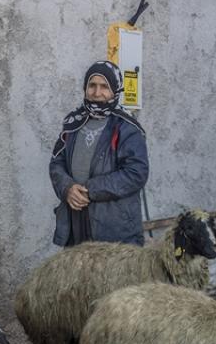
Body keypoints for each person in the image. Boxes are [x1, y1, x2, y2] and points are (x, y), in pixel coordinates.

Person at [49, 60, 149, 246]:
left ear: (115, 90)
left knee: (110, 275)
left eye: (104, 86)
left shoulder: (127, 127)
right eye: (92, 85)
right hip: (76, 221)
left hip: (113, 227)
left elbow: (136, 173)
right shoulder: (74, 123)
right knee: (79, 273)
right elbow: (57, 163)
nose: (97, 93)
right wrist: (67, 188)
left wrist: (91, 190)